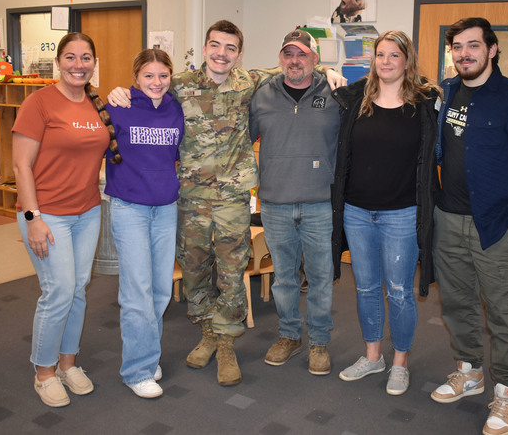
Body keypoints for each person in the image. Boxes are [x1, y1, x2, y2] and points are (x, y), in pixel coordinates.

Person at [108, 21, 344, 386]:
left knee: (232, 274)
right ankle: (207, 334)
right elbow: (146, 92)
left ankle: (227, 344)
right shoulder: (180, 85)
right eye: (215, 45)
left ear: (239, 54)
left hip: (233, 198)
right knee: (196, 272)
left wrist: (330, 70)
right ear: (204, 48)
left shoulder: (251, 82)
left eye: (230, 48)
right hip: (189, 198)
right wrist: (119, 91)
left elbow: (295, 67)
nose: (222, 53)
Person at [430, 17, 508, 435]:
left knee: (504, 313)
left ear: (492, 50)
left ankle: (506, 393)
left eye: (473, 46)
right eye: (457, 47)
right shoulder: (445, 94)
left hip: (497, 227)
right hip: (449, 220)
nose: (465, 54)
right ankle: (470, 371)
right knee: (457, 305)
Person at [331, 30, 440, 396]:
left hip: (402, 214)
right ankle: (373, 355)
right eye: (381, 55)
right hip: (357, 211)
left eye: (395, 55)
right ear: (373, 60)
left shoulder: (425, 103)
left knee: (399, 292)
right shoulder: (355, 100)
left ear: (407, 61)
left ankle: (400, 363)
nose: (387, 61)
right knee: (364, 288)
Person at [12, 32, 111, 407]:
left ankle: (69, 364)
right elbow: (21, 164)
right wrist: (32, 217)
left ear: (93, 63)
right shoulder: (38, 103)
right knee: (59, 290)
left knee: (79, 289)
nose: (78, 65)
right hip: (46, 213)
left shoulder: (96, 104)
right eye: (71, 57)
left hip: (87, 211)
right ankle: (44, 372)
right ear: (59, 62)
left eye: (86, 58)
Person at [248, 29, 341, 376]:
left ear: (315, 59)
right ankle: (289, 334)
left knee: (320, 277)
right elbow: (241, 141)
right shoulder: (262, 96)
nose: (295, 61)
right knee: (284, 278)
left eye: (302, 54)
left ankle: (318, 340)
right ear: (280, 59)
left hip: (320, 203)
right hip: (275, 203)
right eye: (288, 54)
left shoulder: (335, 93)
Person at [104, 49, 184, 399]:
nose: (156, 82)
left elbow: (175, 156)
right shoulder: (117, 107)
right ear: (136, 77)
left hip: (165, 208)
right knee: (137, 291)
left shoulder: (175, 108)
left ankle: (147, 356)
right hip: (129, 208)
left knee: (160, 290)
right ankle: (136, 370)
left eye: (163, 76)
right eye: (149, 76)